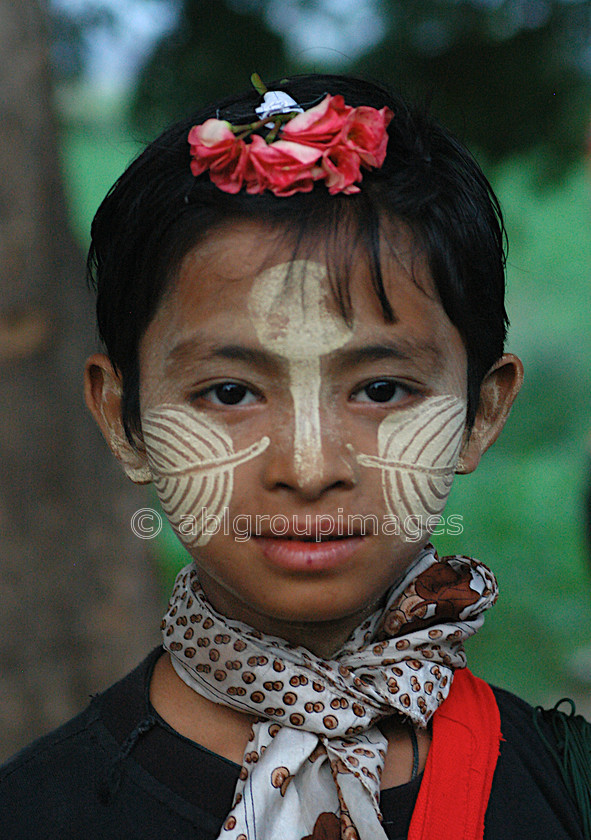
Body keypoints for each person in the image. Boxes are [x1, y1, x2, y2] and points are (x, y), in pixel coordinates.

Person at [0, 73, 588, 840]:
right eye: (230, 393)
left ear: (481, 412)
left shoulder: (565, 795)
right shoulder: (37, 814)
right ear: (124, 419)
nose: (309, 470)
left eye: (380, 388)